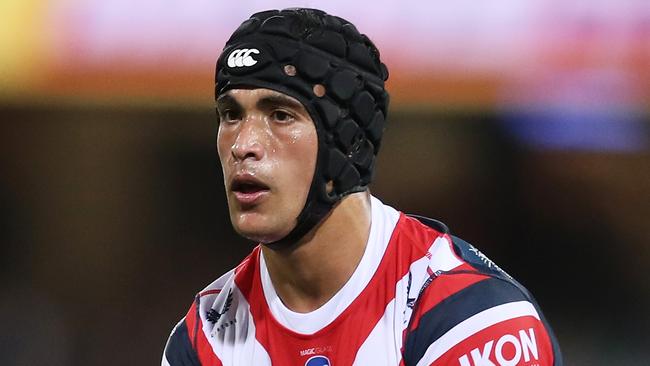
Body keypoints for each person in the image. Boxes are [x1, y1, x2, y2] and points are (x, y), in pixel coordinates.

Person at [162, 8, 562, 366]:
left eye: (281, 116)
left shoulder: (472, 316)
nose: (242, 145)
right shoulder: (206, 337)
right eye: (230, 114)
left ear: (347, 143)